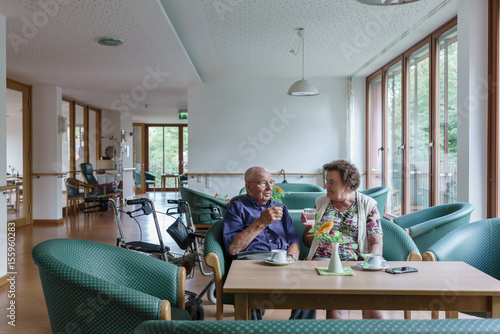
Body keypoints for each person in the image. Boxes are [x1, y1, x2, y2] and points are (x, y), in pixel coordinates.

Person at [223, 166, 316, 320]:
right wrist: (261, 222)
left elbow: (293, 240)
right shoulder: (237, 208)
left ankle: (298, 330)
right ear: (248, 186)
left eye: (271, 182)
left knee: (309, 291)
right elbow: (233, 249)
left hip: (282, 259)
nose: (269, 187)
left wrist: (291, 258)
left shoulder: (280, 208)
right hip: (252, 260)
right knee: (250, 294)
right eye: (263, 183)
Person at [302, 160, 386, 320]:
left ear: (348, 185)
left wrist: (370, 263)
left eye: (331, 182)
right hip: (326, 262)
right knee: (336, 312)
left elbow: (376, 243)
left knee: (376, 312)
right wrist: (309, 226)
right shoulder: (320, 203)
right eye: (326, 181)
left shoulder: (367, 205)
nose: (326, 185)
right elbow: (308, 242)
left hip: (360, 263)